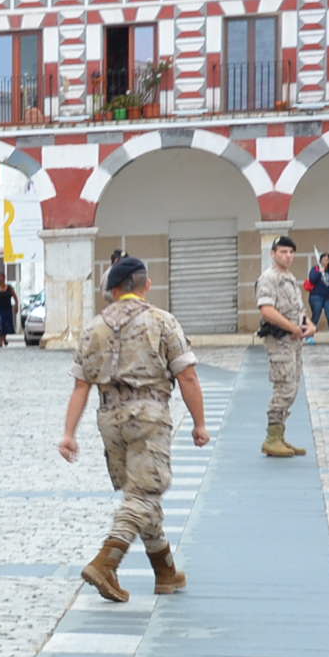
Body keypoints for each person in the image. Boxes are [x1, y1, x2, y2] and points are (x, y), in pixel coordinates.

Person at [60, 254, 210, 601]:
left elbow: (80, 385)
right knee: (144, 493)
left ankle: (165, 571)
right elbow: (186, 374)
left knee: (140, 494)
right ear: (146, 285)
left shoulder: (93, 326)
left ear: (112, 290)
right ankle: (105, 561)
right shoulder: (162, 321)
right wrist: (200, 423)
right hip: (148, 415)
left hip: (109, 417)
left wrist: (69, 433)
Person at [256, 234, 311, 459]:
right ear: (273, 254)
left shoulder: (289, 277)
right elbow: (266, 310)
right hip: (280, 342)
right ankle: (272, 438)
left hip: (294, 342)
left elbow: (298, 309)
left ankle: (279, 435)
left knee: (293, 386)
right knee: (284, 387)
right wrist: (292, 328)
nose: (288, 256)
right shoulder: (269, 278)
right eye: (283, 252)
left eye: (290, 252)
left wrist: (308, 326)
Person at [307, 253, 329, 343]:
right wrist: (320, 271)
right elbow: (312, 279)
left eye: (327, 259)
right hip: (316, 296)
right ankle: (309, 336)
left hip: (328, 298)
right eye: (323, 259)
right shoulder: (315, 269)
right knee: (316, 316)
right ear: (320, 260)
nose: (325, 261)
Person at [0, 276, 19, 348]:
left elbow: (15, 297)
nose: (1, 279)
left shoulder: (10, 288)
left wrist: (16, 306)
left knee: (5, 325)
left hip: (7, 309)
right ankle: (0, 342)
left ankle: (4, 338)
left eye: (2, 278)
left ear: (4, 278)